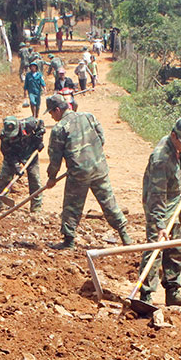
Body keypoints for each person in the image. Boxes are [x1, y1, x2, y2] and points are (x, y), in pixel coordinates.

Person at [44, 94, 131, 250]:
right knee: (109, 202)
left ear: (58, 110)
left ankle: (68, 241)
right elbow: (101, 139)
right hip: (99, 168)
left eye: (51, 112)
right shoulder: (88, 117)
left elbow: (55, 158)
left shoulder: (59, 128)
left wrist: (52, 177)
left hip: (78, 173)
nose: (51, 116)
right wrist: (92, 153)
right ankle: (125, 236)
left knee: (72, 206)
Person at [139, 118, 181, 307]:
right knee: (156, 249)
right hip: (159, 205)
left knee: (176, 248)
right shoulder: (161, 158)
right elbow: (156, 196)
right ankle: (145, 294)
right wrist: (160, 224)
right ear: (174, 136)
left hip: (174, 203)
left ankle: (173, 291)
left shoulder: (178, 148)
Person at [0, 116, 45, 214]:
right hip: (13, 154)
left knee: (34, 179)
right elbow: (7, 154)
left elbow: (41, 125)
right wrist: (16, 165)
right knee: (4, 178)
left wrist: (39, 140)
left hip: (30, 153)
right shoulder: (4, 136)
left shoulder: (29, 124)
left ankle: (36, 209)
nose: (12, 137)